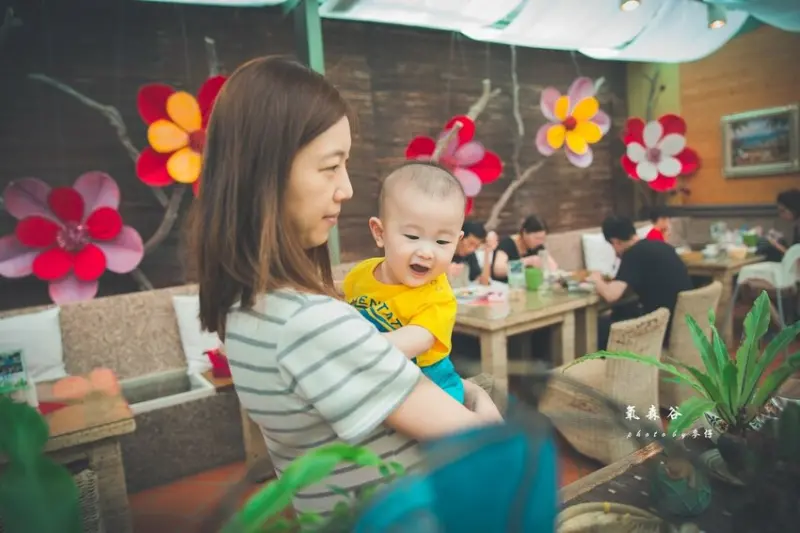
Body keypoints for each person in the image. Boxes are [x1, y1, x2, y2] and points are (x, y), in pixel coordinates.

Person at [187, 56, 502, 517]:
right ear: (267, 171)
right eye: (330, 167)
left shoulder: (244, 306)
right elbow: (478, 439)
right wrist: (483, 402)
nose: (347, 188)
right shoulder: (310, 323)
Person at [342, 162, 466, 403]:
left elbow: (408, 343)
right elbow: (332, 291)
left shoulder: (438, 299)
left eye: (442, 242)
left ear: (457, 241)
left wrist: (345, 346)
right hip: (380, 380)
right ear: (380, 232)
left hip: (431, 385)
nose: (427, 252)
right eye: (412, 236)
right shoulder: (362, 273)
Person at [589, 215, 692, 350]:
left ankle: (602, 369)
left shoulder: (633, 254)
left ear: (615, 242)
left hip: (661, 330)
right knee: (622, 312)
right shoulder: (661, 246)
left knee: (595, 327)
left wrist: (596, 279)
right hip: (683, 326)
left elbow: (611, 295)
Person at [491, 215, 558, 283]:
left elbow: (553, 266)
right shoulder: (507, 244)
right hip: (504, 287)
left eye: (542, 238)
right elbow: (498, 270)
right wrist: (527, 262)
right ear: (524, 233)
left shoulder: (537, 246)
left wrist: (546, 265)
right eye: (537, 238)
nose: (540, 242)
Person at [449, 220, 498, 286]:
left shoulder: (470, 255)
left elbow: (484, 282)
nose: (472, 249)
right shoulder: (445, 253)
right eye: (471, 243)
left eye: (476, 246)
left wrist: (487, 253)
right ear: (460, 237)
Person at [765, 188, 800, 260]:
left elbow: (796, 259)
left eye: (782, 211)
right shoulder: (796, 226)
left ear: (793, 209)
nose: (781, 215)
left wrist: (777, 245)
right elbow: (794, 251)